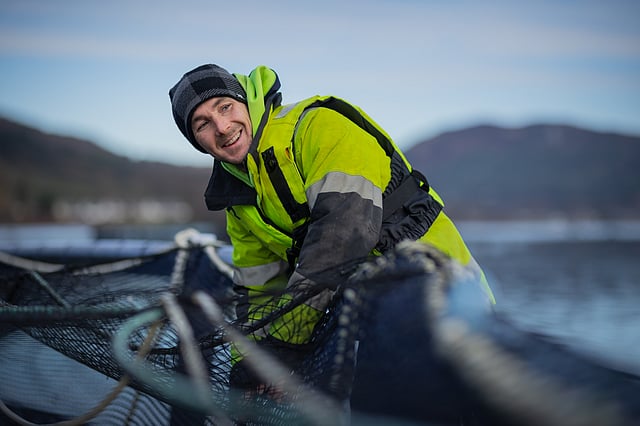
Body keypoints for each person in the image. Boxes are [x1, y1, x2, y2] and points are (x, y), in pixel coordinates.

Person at [169, 64, 494, 389]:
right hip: (369, 323)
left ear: (245, 100)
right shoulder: (236, 196)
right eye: (203, 124)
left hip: (448, 302)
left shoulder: (320, 126)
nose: (222, 127)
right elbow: (258, 290)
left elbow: (344, 237)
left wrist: (282, 346)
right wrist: (251, 365)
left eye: (225, 107)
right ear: (196, 140)